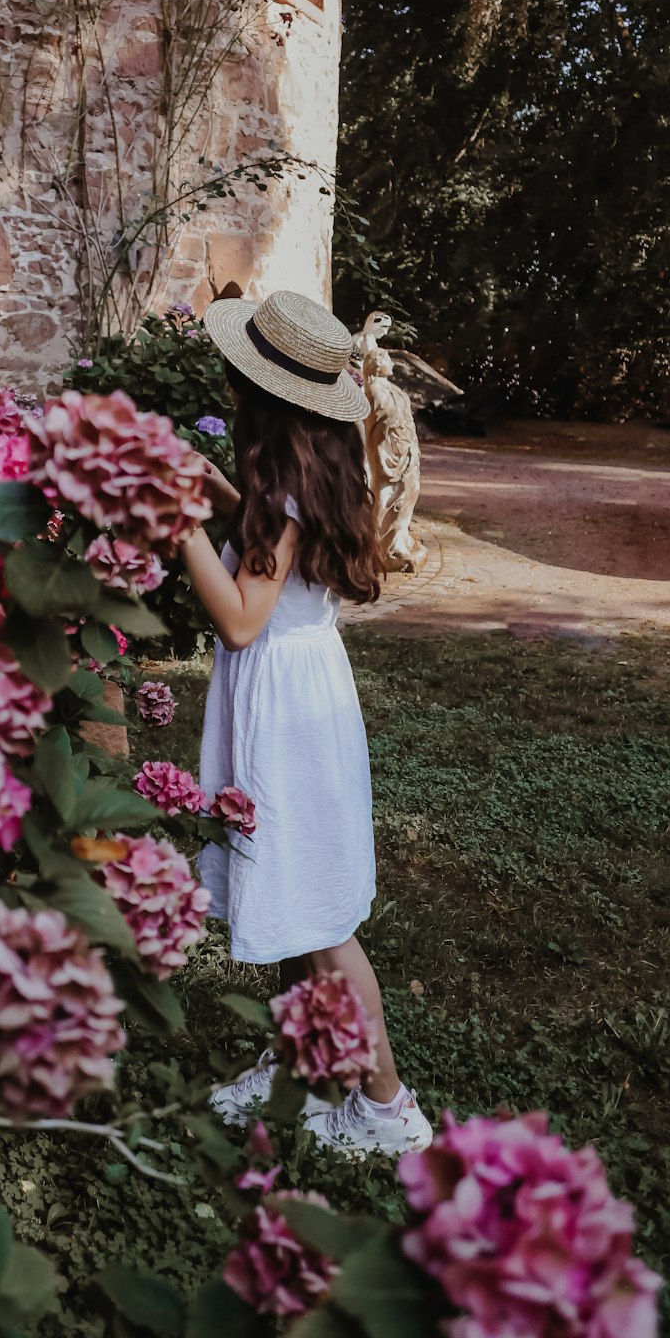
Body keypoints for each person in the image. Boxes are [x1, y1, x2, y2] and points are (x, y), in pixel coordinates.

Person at [183, 289, 432, 1158]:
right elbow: (274, 566)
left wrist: (179, 527)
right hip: (303, 694)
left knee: (323, 922)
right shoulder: (313, 473)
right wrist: (219, 498)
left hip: (283, 712)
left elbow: (243, 617)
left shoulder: (282, 489)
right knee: (292, 896)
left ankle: (387, 1105)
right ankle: (304, 1067)